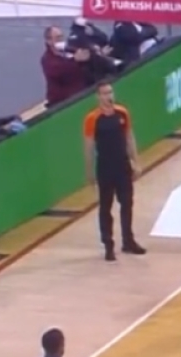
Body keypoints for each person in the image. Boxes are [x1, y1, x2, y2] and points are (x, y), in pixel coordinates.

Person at [83, 80, 146, 261]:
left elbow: (129, 138)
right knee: (106, 207)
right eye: (104, 93)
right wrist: (89, 172)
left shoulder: (122, 113)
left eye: (110, 92)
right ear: (98, 97)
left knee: (127, 204)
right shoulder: (92, 119)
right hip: (105, 168)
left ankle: (128, 241)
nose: (108, 96)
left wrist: (136, 162)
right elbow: (88, 146)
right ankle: (108, 245)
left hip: (123, 166)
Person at [42, 26, 90, 108]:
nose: (61, 40)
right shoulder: (47, 59)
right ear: (49, 41)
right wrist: (75, 60)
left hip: (79, 95)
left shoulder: (69, 51)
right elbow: (58, 71)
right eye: (57, 38)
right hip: (61, 102)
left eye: (62, 37)